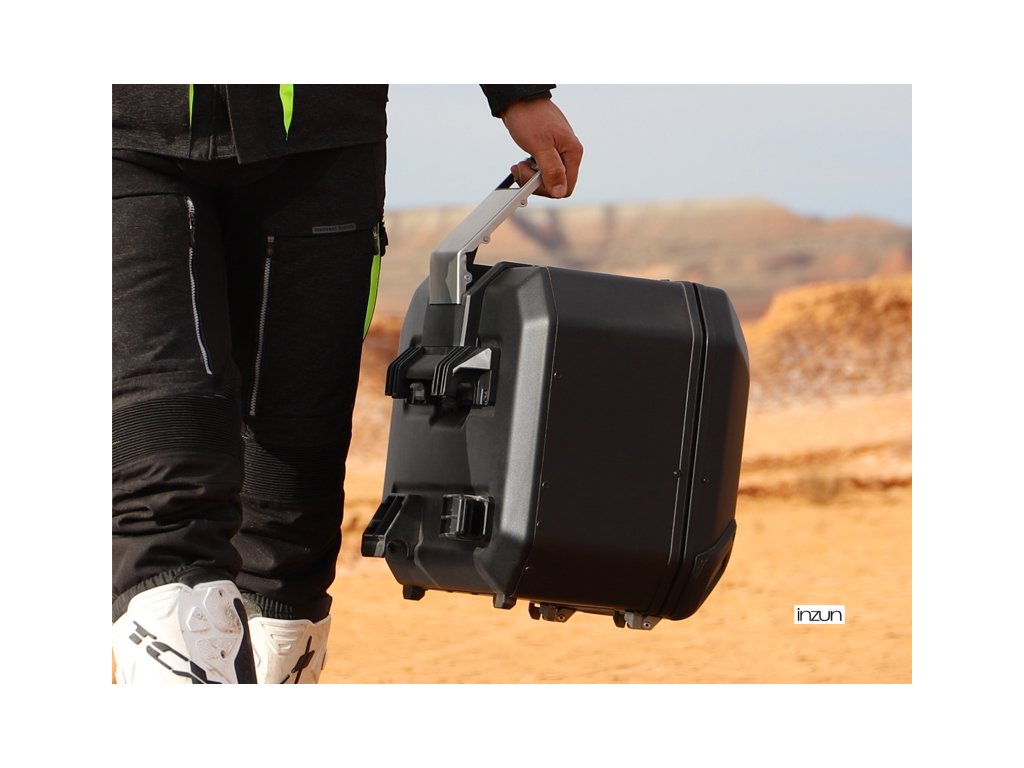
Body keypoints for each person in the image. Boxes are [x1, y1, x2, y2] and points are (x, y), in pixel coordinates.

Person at [112, 84, 583, 683]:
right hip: (123, 133)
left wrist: (519, 92)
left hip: (324, 137)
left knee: (289, 523)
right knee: (165, 472)